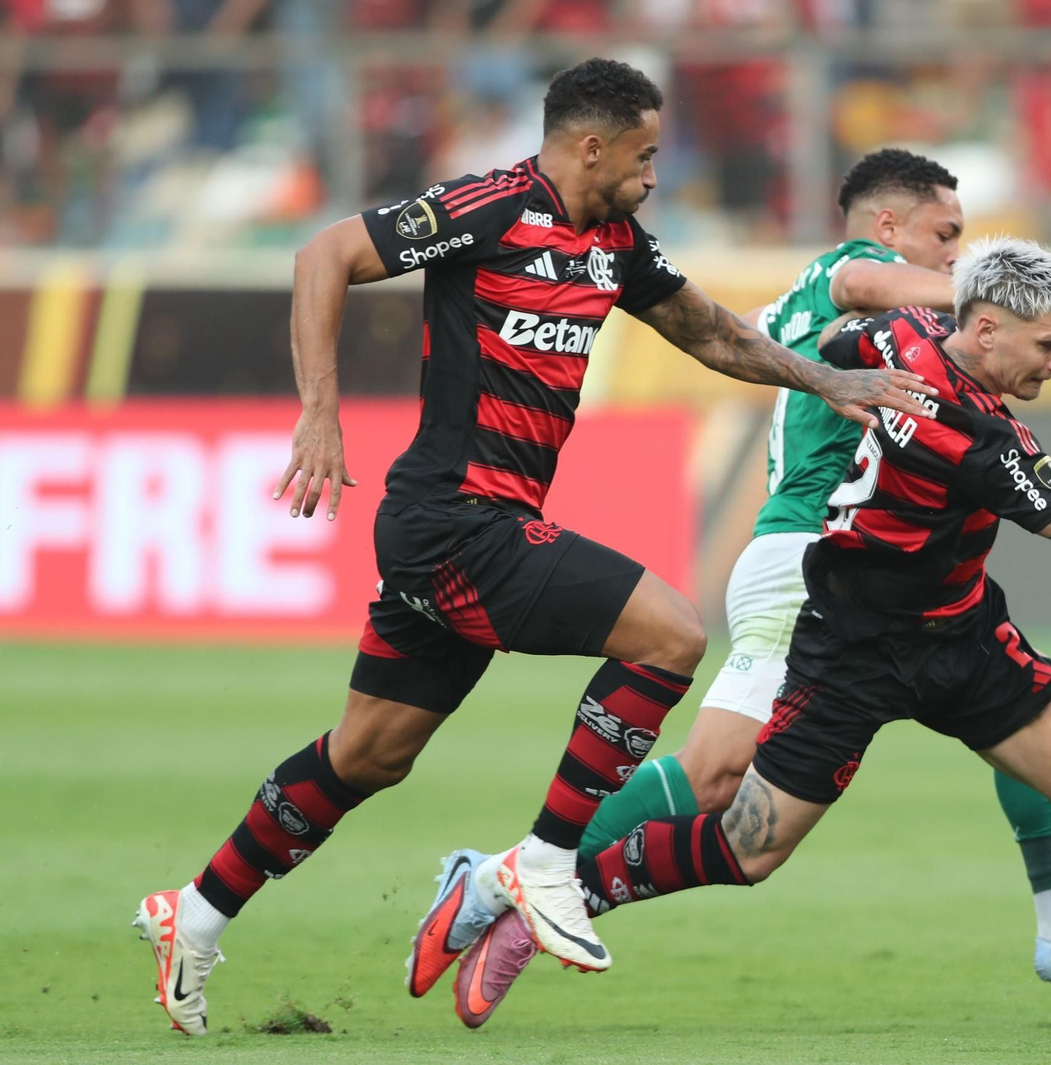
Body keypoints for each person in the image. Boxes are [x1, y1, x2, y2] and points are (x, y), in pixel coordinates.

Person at [129, 57, 930, 1038]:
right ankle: (544, 861)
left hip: (468, 530)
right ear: (590, 144)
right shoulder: (489, 206)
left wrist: (825, 381)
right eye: (642, 154)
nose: (652, 174)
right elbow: (324, 254)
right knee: (671, 636)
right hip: (456, 519)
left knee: (369, 755)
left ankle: (193, 914)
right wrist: (320, 415)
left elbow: (714, 337)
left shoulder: (617, 242)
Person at [446, 237, 1051, 1033]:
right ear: (986, 328)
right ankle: (548, 901)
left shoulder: (901, 334)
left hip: (961, 632)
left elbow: (836, 347)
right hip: (853, 650)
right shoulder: (980, 436)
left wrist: (847, 397)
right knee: (747, 848)